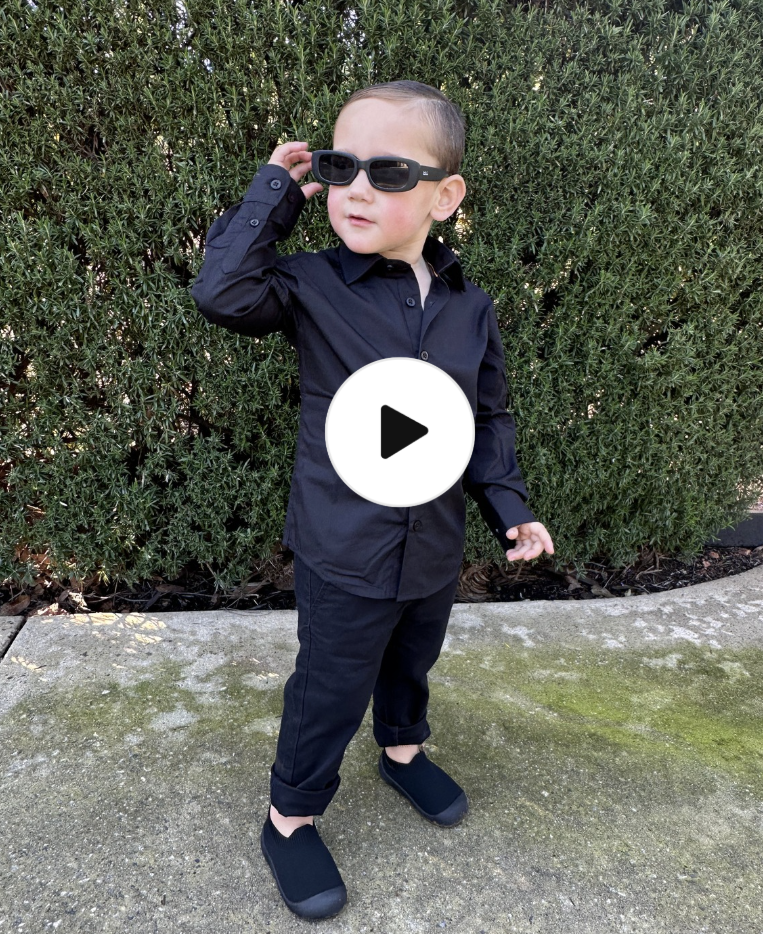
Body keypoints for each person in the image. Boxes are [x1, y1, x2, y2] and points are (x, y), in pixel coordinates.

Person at [190, 80, 554, 920]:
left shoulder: (470, 308)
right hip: (343, 545)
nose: (356, 186)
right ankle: (290, 818)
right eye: (340, 165)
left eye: (388, 171)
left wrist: (510, 505)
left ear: (444, 195)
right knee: (330, 683)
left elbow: (484, 415)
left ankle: (401, 750)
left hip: (432, 542)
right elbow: (222, 293)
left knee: (410, 662)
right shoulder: (311, 286)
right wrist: (274, 192)